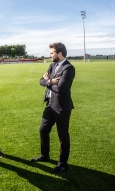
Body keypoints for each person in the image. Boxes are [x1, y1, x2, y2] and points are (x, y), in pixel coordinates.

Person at [31, 42, 75, 174]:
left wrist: (48, 82)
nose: (50, 55)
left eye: (52, 53)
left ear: (59, 54)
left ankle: (62, 164)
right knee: (43, 130)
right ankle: (45, 156)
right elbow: (41, 80)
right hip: (50, 105)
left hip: (62, 107)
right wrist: (50, 81)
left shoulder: (68, 68)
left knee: (63, 136)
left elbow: (60, 89)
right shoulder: (52, 65)